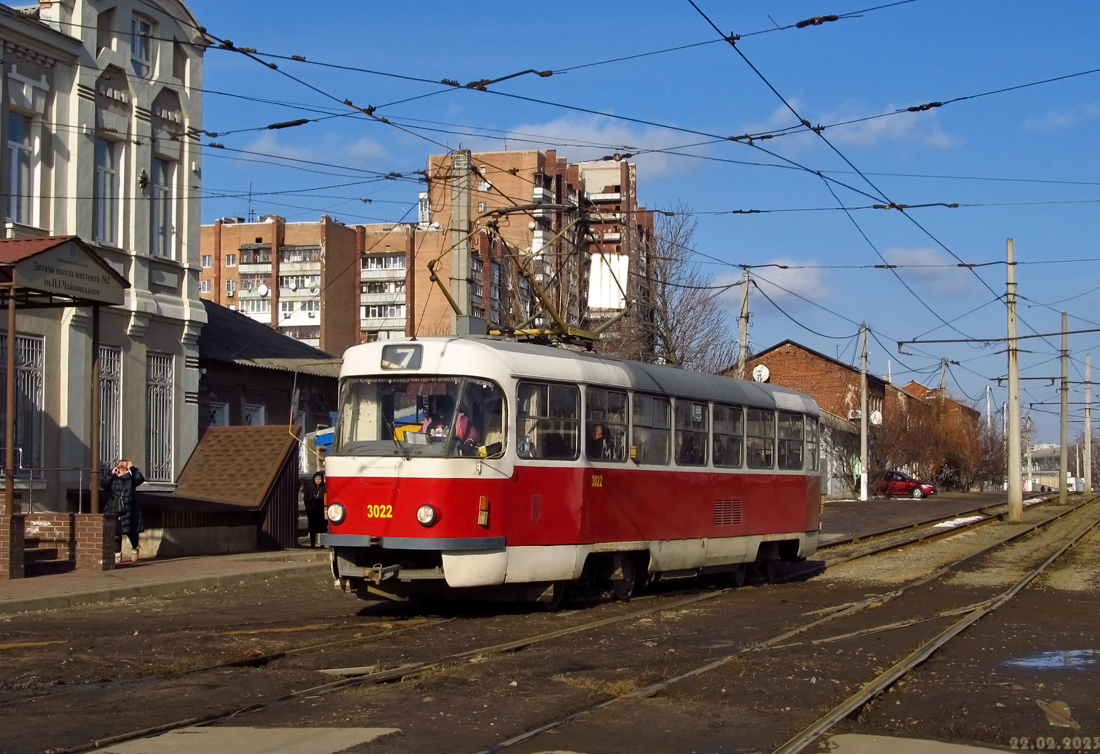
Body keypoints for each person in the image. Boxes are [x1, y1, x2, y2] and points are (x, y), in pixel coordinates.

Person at [101, 460, 145, 563]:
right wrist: (111, 473)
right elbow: (103, 485)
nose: (121, 468)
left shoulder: (131, 478)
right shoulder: (114, 477)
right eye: (120, 466)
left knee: (131, 532)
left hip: (129, 509)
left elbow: (140, 479)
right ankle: (117, 554)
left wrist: (132, 468)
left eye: (124, 466)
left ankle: (135, 549)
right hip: (114, 507)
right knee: (116, 532)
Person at [302, 472, 327, 548]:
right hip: (312, 510)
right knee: (312, 527)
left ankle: (322, 544)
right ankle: (312, 544)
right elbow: (306, 498)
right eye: (316, 479)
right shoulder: (309, 487)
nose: (318, 481)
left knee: (323, 527)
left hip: (321, 511)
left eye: (319, 479)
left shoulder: (325, 487)